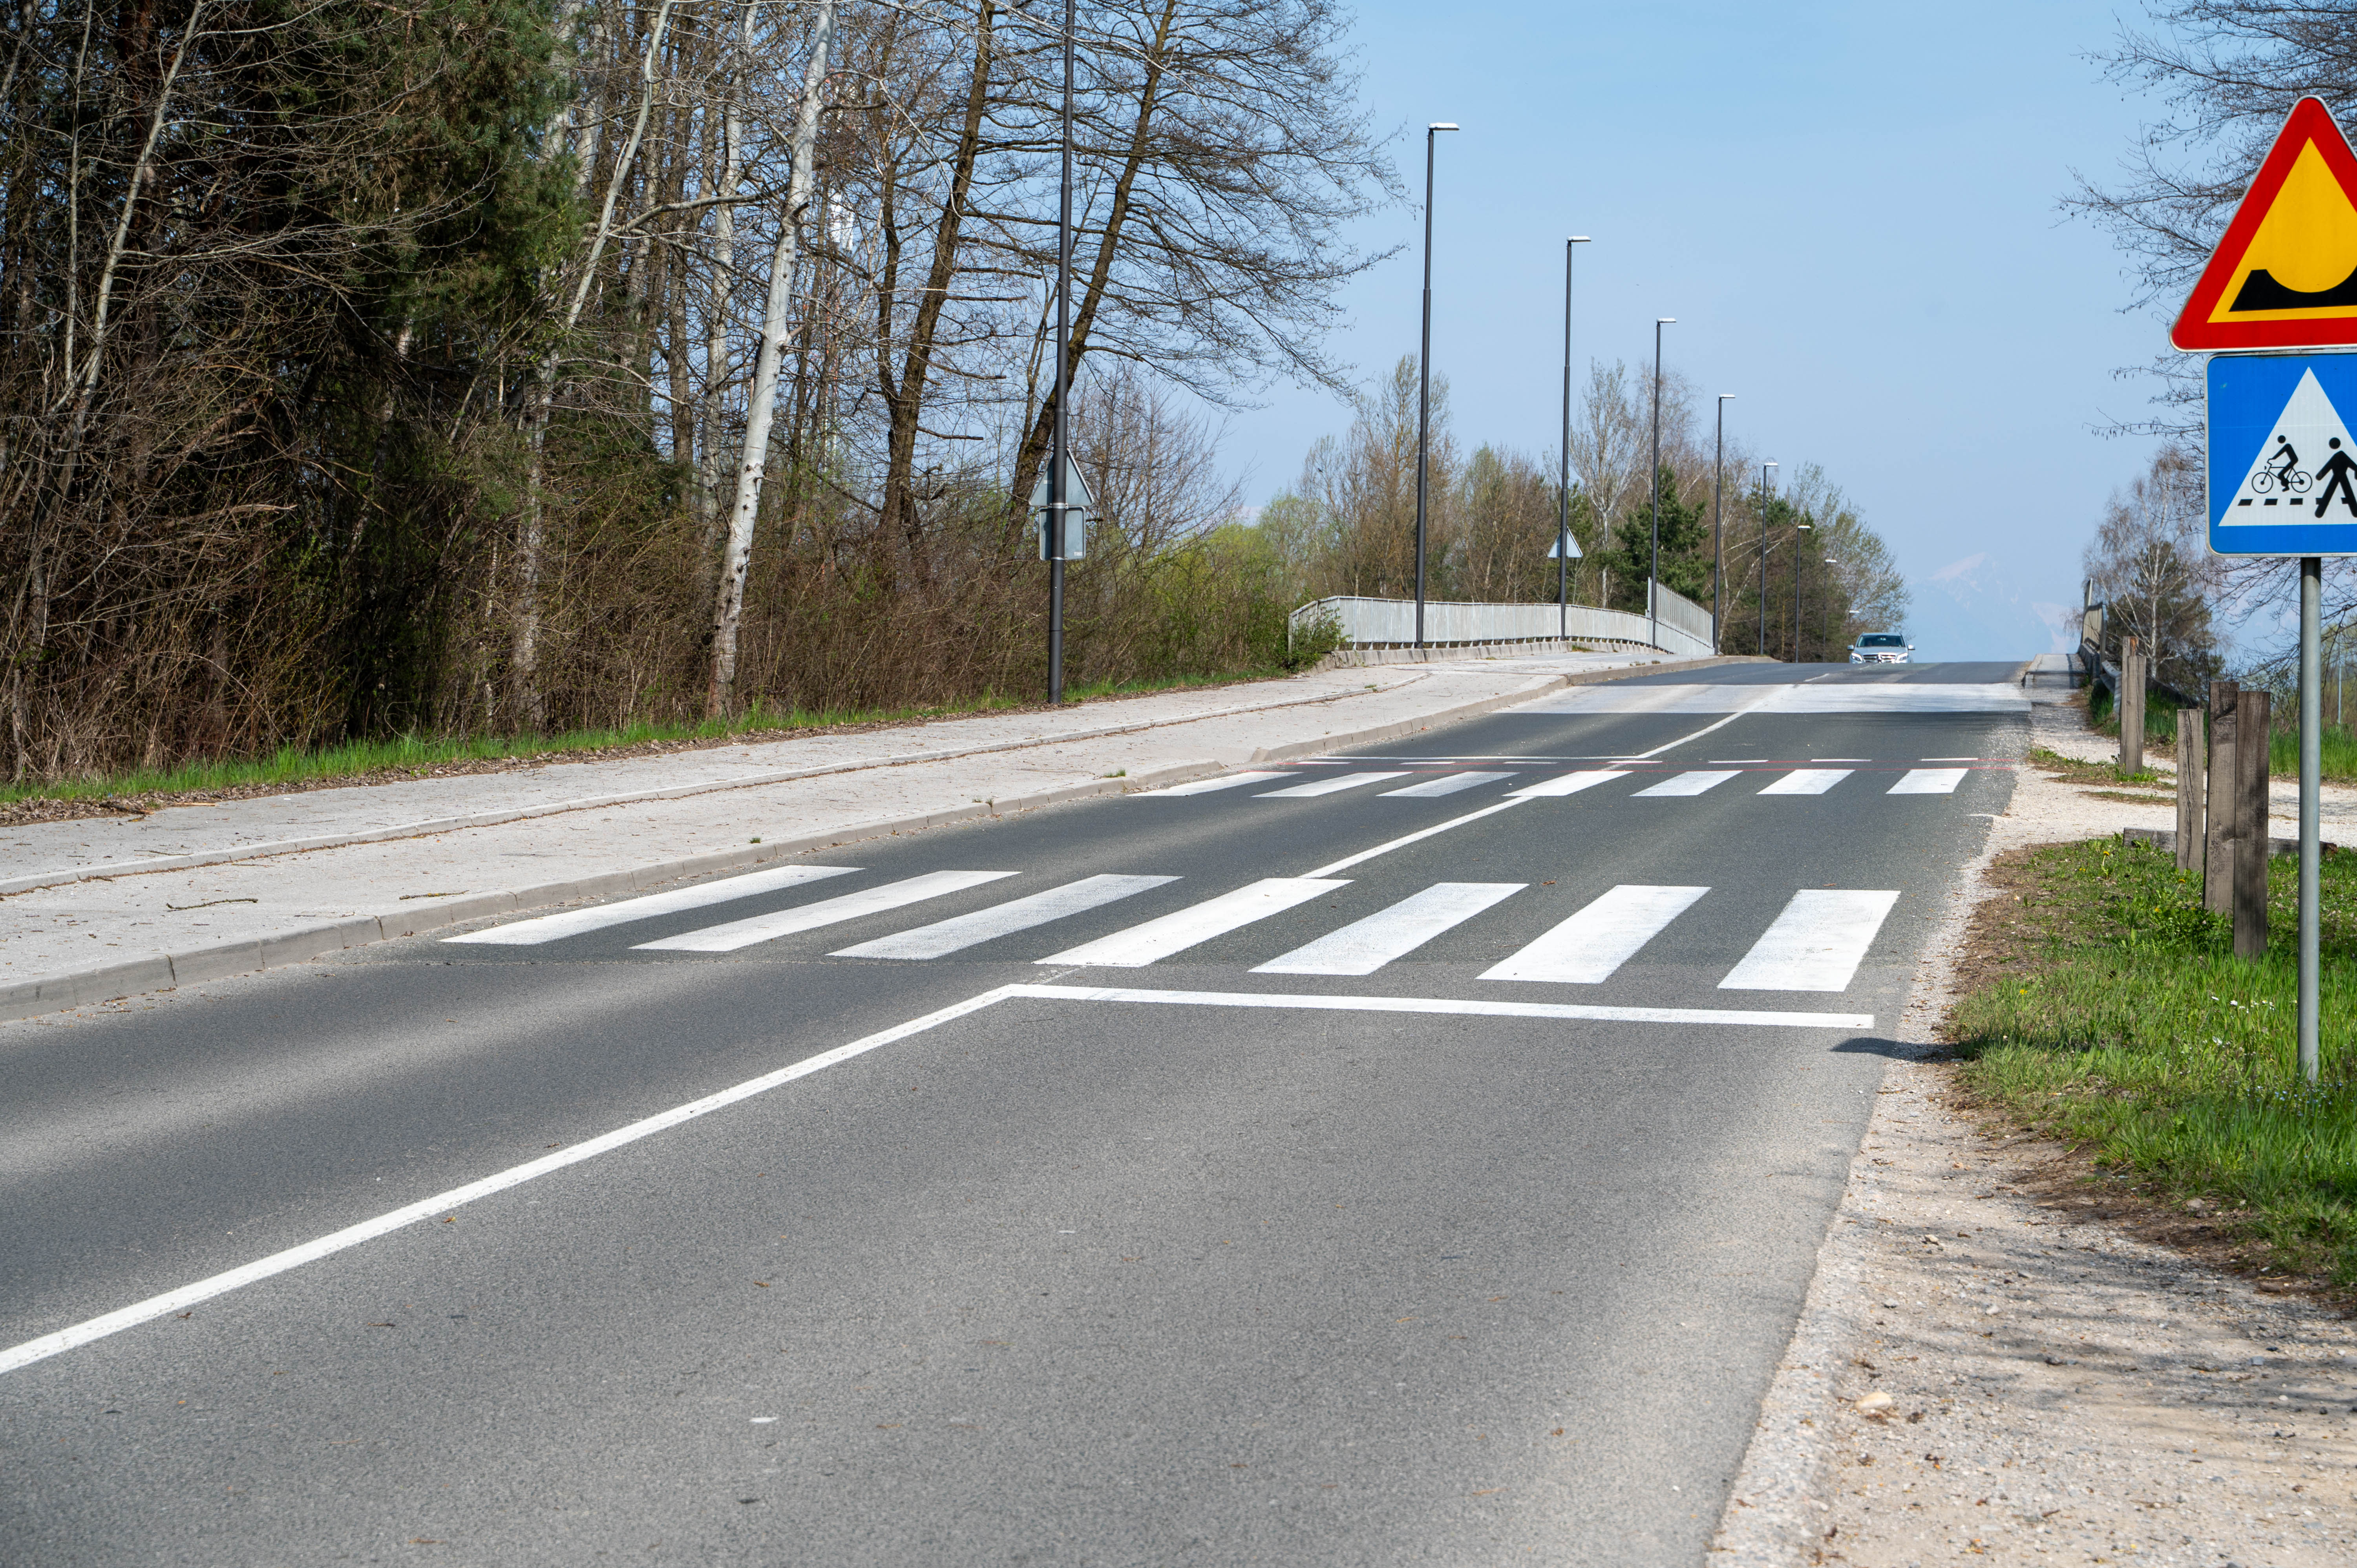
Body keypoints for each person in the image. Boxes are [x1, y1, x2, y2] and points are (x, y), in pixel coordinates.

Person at [2313, 436, 2357, 519]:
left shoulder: (2337, 456)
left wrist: (2319, 477)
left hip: (2337, 477)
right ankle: (2355, 512)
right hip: (2343, 478)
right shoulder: (2342, 456)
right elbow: (2354, 466)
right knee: (2348, 493)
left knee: (2329, 493)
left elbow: (2327, 467)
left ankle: (2319, 512)